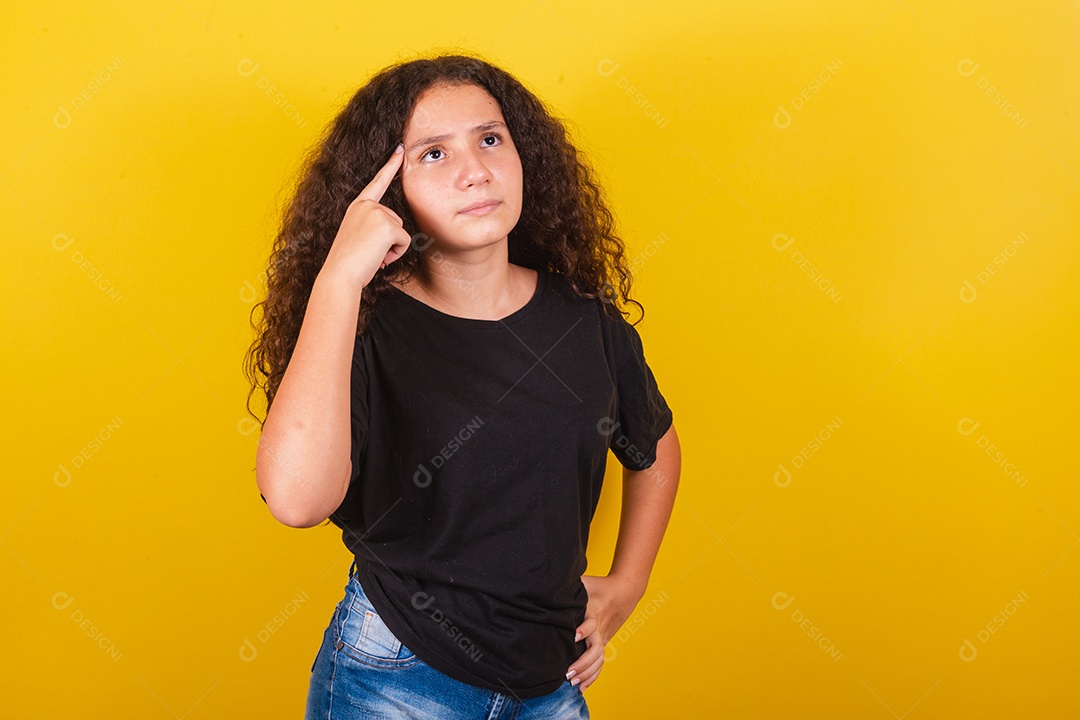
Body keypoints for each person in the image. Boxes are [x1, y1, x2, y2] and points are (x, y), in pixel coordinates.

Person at [246, 52, 681, 719]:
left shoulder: (584, 321)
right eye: (432, 154)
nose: (474, 170)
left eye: (490, 139)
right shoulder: (365, 327)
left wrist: (628, 585)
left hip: (549, 682)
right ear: (387, 191)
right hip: (395, 679)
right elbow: (296, 499)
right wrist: (339, 278)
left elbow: (654, 444)